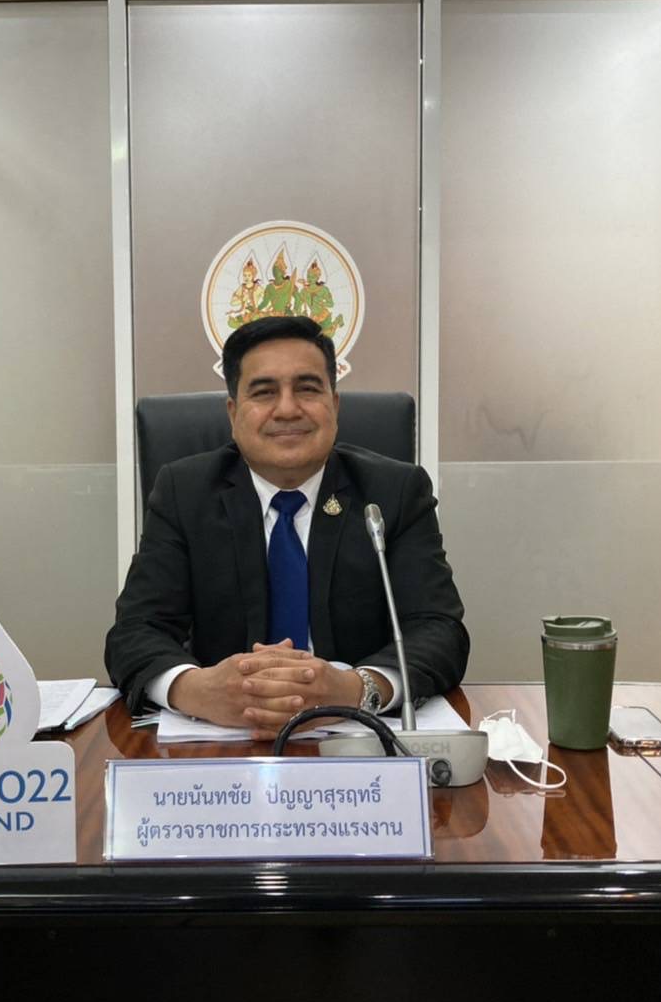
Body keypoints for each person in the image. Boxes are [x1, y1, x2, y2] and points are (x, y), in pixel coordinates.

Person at [105, 315, 468, 738]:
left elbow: (439, 630)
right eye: (264, 392)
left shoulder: (393, 493)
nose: (288, 409)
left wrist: (357, 689)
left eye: (307, 389)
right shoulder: (184, 492)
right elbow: (136, 631)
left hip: (356, 746)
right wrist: (196, 690)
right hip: (220, 745)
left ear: (334, 405)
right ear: (233, 412)